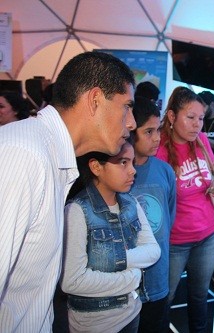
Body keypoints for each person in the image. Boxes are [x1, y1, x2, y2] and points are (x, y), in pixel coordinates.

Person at [0, 51, 137, 332]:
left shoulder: (50, 157)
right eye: (127, 107)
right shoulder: (23, 154)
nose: (131, 122)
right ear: (95, 100)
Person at [61, 141, 160, 332]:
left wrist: (112, 260)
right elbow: (72, 281)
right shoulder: (77, 211)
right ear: (96, 167)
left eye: (132, 163)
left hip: (132, 312)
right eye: (123, 162)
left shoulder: (130, 202)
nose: (132, 171)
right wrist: (132, 276)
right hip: (95, 325)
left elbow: (153, 251)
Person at [156, 86, 214, 332]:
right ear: (171, 116)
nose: (197, 124)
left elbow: (213, 164)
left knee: (199, 297)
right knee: (164, 298)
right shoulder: (158, 150)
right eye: (190, 117)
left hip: (207, 235)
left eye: (201, 118)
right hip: (175, 242)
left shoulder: (200, 141)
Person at [129, 96, 177, 333]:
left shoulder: (165, 171)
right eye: (148, 131)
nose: (157, 137)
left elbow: (168, 217)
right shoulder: (117, 173)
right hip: (127, 282)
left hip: (158, 276)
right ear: (130, 130)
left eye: (158, 129)